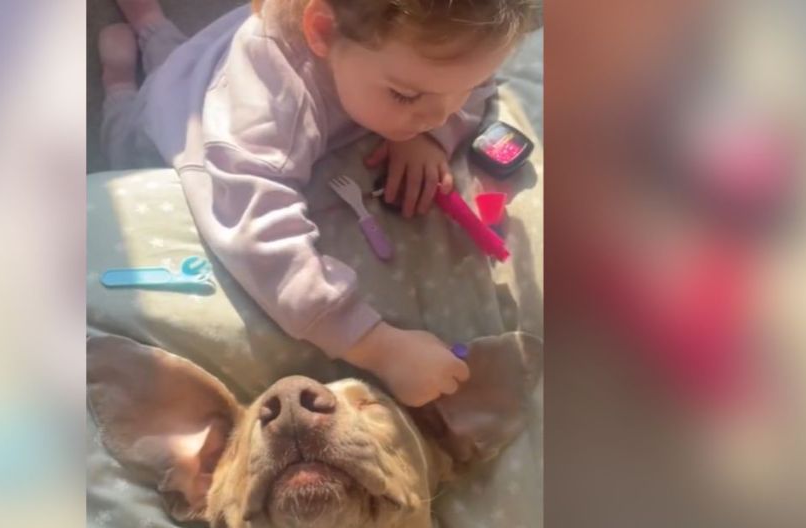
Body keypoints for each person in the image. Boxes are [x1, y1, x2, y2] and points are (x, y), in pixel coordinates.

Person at [98, 0, 539, 406]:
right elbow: (257, 232)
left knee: (183, 59)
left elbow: (473, 90)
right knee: (139, 123)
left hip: (209, 61)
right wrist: (376, 345)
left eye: (465, 87)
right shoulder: (267, 105)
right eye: (407, 95)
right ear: (322, 31)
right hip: (174, 118)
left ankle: (150, 24)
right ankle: (118, 80)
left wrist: (431, 137)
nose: (440, 113)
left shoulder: (410, 57)